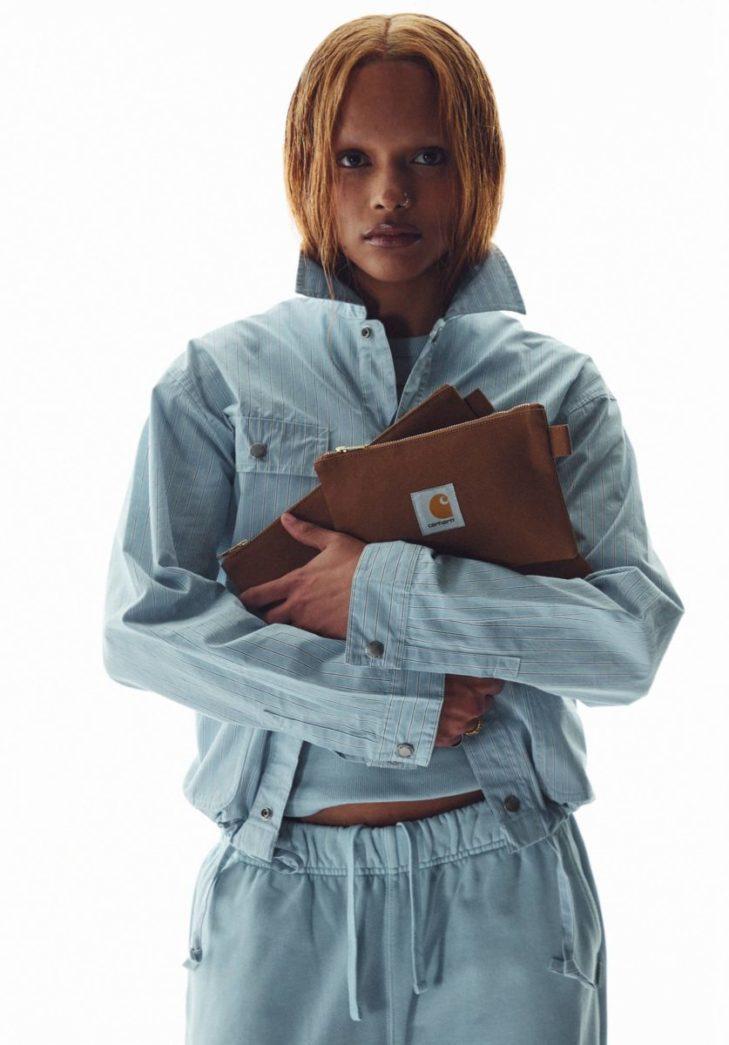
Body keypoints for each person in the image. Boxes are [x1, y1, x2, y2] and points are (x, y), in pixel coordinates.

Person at [102, 13, 685, 1045]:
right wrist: (390, 699)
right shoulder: (217, 379)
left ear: (478, 167)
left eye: (426, 157)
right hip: (280, 895)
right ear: (306, 166)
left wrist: (383, 591)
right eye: (353, 159)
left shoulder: (558, 389)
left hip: (505, 895)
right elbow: (143, 629)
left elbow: (625, 641)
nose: (388, 193)